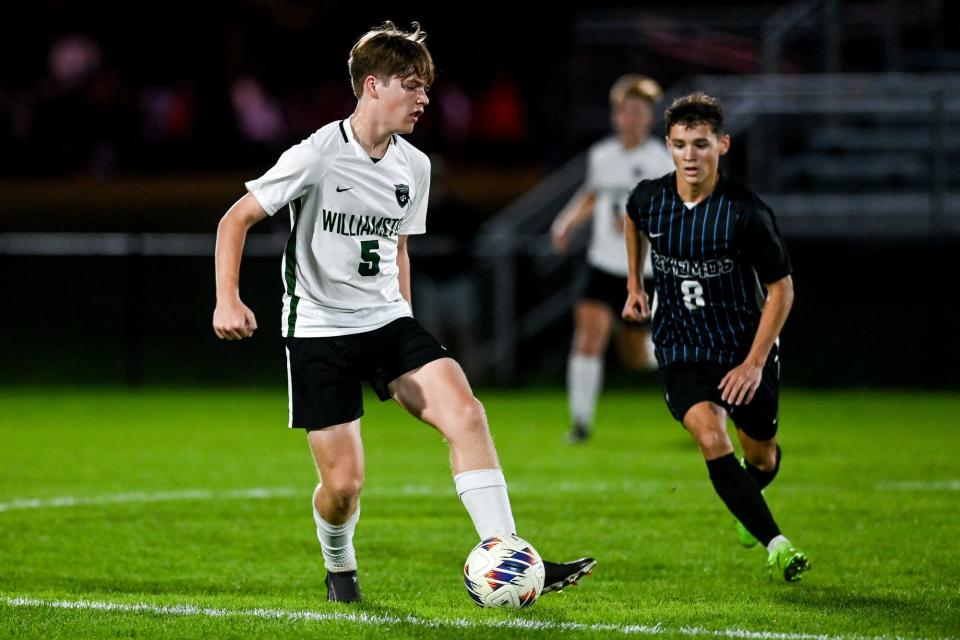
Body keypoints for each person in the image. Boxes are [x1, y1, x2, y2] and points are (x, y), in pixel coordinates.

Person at [212, 21, 594, 603]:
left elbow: (399, 248)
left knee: (465, 413)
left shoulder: (414, 166)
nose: (424, 99)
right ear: (372, 85)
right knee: (343, 486)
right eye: (413, 86)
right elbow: (234, 220)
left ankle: (508, 553)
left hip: (387, 321)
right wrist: (228, 298)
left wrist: (407, 321)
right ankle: (340, 567)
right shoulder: (317, 154)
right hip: (319, 330)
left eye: (426, 88)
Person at [622, 92, 810, 582]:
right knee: (710, 435)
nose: (690, 155)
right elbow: (631, 215)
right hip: (681, 346)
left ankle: (750, 495)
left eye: (701, 144)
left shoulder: (746, 213)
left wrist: (752, 364)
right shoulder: (651, 198)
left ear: (722, 146)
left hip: (742, 347)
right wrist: (634, 284)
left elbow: (782, 290)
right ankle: (778, 545)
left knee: (761, 454)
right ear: (668, 145)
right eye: (681, 144)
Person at [551, 75, 675, 443]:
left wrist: (641, 224)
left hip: (642, 271)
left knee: (635, 355)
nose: (632, 118)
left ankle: (677, 363)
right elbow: (593, 194)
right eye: (626, 111)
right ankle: (581, 424)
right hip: (602, 263)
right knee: (589, 335)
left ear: (649, 117)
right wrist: (566, 222)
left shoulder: (661, 159)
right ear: (616, 116)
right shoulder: (602, 155)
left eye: (640, 112)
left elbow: (675, 210)